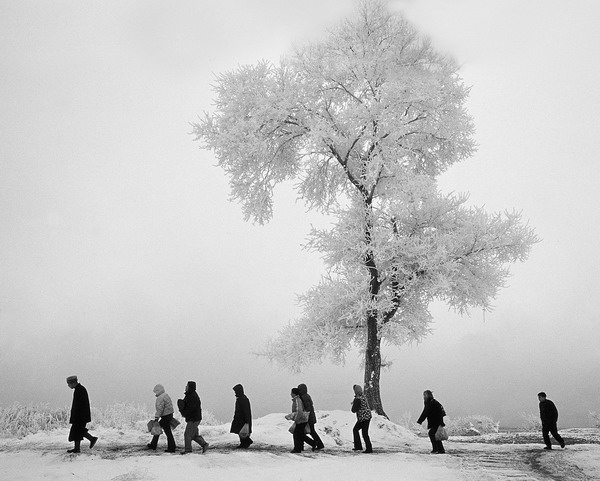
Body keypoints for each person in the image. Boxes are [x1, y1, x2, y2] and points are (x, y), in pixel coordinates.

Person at [66, 376, 98, 453]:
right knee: (78, 431)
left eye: (69, 384)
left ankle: (91, 440)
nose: (68, 386)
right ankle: (79, 447)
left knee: (77, 431)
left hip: (80, 416)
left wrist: (76, 417)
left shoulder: (79, 390)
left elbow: (79, 406)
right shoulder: (79, 389)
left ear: (73, 383)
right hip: (81, 416)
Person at [177, 381, 209, 454]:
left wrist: (183, 411)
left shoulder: (192, 396)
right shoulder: (189, 395)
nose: (186, 387)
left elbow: (190, 409)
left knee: (187, 434)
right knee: (193, 435)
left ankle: (188, 450)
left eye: (187, 386)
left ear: (190, 387)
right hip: (195, 418)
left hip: (193, 419)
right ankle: (204, 444)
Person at [147, 384, 176, 453]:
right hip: (169, 415)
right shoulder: (166, 395)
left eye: (155, 391)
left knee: (165, 431)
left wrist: (157, 417)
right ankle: (154, 444)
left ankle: (171, 448)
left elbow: (160, 409)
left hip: (165, 416)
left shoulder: (160, 398)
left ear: (158, 391)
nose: (155, 393)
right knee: (161, 430)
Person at [285, 387, 315, 453]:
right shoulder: (297, 399)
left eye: (291, 393)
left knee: (296, 434)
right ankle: (309, 444)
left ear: (294, 393)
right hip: (302, 419)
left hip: (301, 420)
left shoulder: (297, 400)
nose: (290, 394)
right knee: (300, 434)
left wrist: (296, 419)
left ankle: (297, 449)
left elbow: (299, 411)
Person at [417, 390, 446, 454]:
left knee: (432, 434)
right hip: (436, 421)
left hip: (436, 421)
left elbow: (425, 412)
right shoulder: (433, 401)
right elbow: (443, 412)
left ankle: (437, 449)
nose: (423, 396)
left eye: (424, 395)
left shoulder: (430, 402)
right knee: (434, 435)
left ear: (428, 395)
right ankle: (439, 449)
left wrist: (420, 420)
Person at [298, 383, 324, 451]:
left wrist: (306, 416)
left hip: (309, 417)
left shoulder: (304, 397)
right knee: (312, 431)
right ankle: (319, 444)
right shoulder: (306, 396)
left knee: (311, 431)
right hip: (311, 416)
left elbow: (308, 408)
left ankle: (318, 444)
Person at [351, 384, 372, 453]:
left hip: (363, 418)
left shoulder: (357, 399)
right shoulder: (363, 396)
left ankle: (365, 448)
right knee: (361, 431)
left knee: (361, 432)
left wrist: (353, 404)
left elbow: (354, 410)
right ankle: (363, 447)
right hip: (367, 416)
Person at [230, 384, 253, 448]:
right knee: (241, 432)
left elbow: (245, 410)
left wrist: (247, 421)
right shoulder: (242, 398)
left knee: (242, 432)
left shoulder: (242, 399)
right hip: (241, 419)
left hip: (242, 419)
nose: (235, 393)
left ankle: (246, 443)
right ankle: (244, 443)